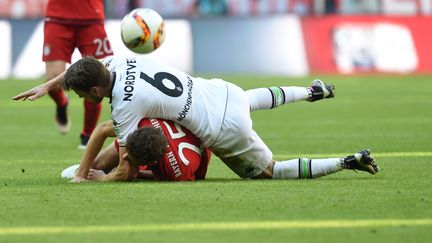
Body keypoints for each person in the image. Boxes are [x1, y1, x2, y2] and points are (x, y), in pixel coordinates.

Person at [13, 55, 379, 182]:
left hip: (221, 129)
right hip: (220, 91)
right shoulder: (119, 62)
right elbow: (88, 68)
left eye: (79, 95)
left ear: (95, 92)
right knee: (258, 97)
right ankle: (314, 91)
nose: (80, 99)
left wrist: (92, 178)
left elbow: (125, 166)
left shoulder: (124, 107)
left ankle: (347, 161)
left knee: (270, 171)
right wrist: (52, 84)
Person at [42, 0, 113, 148]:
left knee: (96, 78)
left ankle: (87, 135)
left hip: (91, 16)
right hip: (57, 16)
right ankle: (62, 103)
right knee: (52, 77)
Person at [61, 118, 211, 182]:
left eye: (129, 159)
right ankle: (84, 169)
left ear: (151, 163)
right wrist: (83, 171)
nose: (123, 158)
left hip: (178, 156)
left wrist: (101, 178)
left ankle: (108, 171)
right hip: (156, 138)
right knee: (96, 166)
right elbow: (102, 129)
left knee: (126, 173)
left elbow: (160, 175)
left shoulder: (178, 172)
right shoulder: (143, 122)